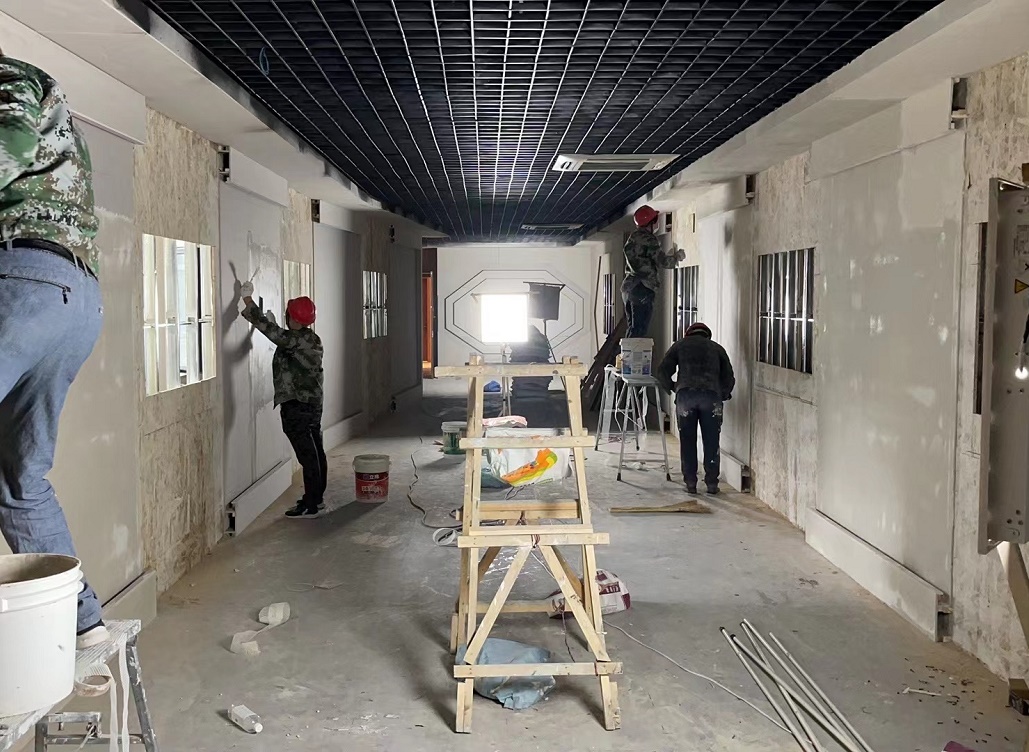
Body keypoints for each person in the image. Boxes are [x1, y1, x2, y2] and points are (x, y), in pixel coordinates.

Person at [0, 52, 109, 649]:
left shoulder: (9, 77)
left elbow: (11, 143)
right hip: (72, 299)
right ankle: (82, 620)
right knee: (21, 478)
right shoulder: (45, 94)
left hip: (20, 283)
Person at [240, 282, 327, 518]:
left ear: (293, 317)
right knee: (315, 451)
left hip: (298, 404)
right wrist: (278, 328)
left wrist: (247, 300)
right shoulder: (310, 338)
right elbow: (285, 339)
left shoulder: (295, 339)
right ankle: (316, 499)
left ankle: (311, 504)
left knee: (307, 454)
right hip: (311, 402)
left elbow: (271, 332)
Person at [656, 323, 735, 495]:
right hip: (711, 398)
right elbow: (729, 377)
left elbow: (662, 371)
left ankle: (691, 483)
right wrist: (722, 394)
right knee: (711, 440)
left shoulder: (680, 345)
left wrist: (674, 387)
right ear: (707, 335)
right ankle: (712, 484)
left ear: (688, 334)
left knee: (687, 440)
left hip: (686, 397)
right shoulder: (716, 348)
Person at [622, 205, 684, 337]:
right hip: (642, 288)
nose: (657, 223)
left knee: (633, 329)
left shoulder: (633, 238)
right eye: (656, 220)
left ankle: (628, 351)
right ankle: (635, 351)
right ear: (651, 222)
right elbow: (663, 262)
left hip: (629, 288)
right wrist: (677, 257)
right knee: (639, 331)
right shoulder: (649, 240)